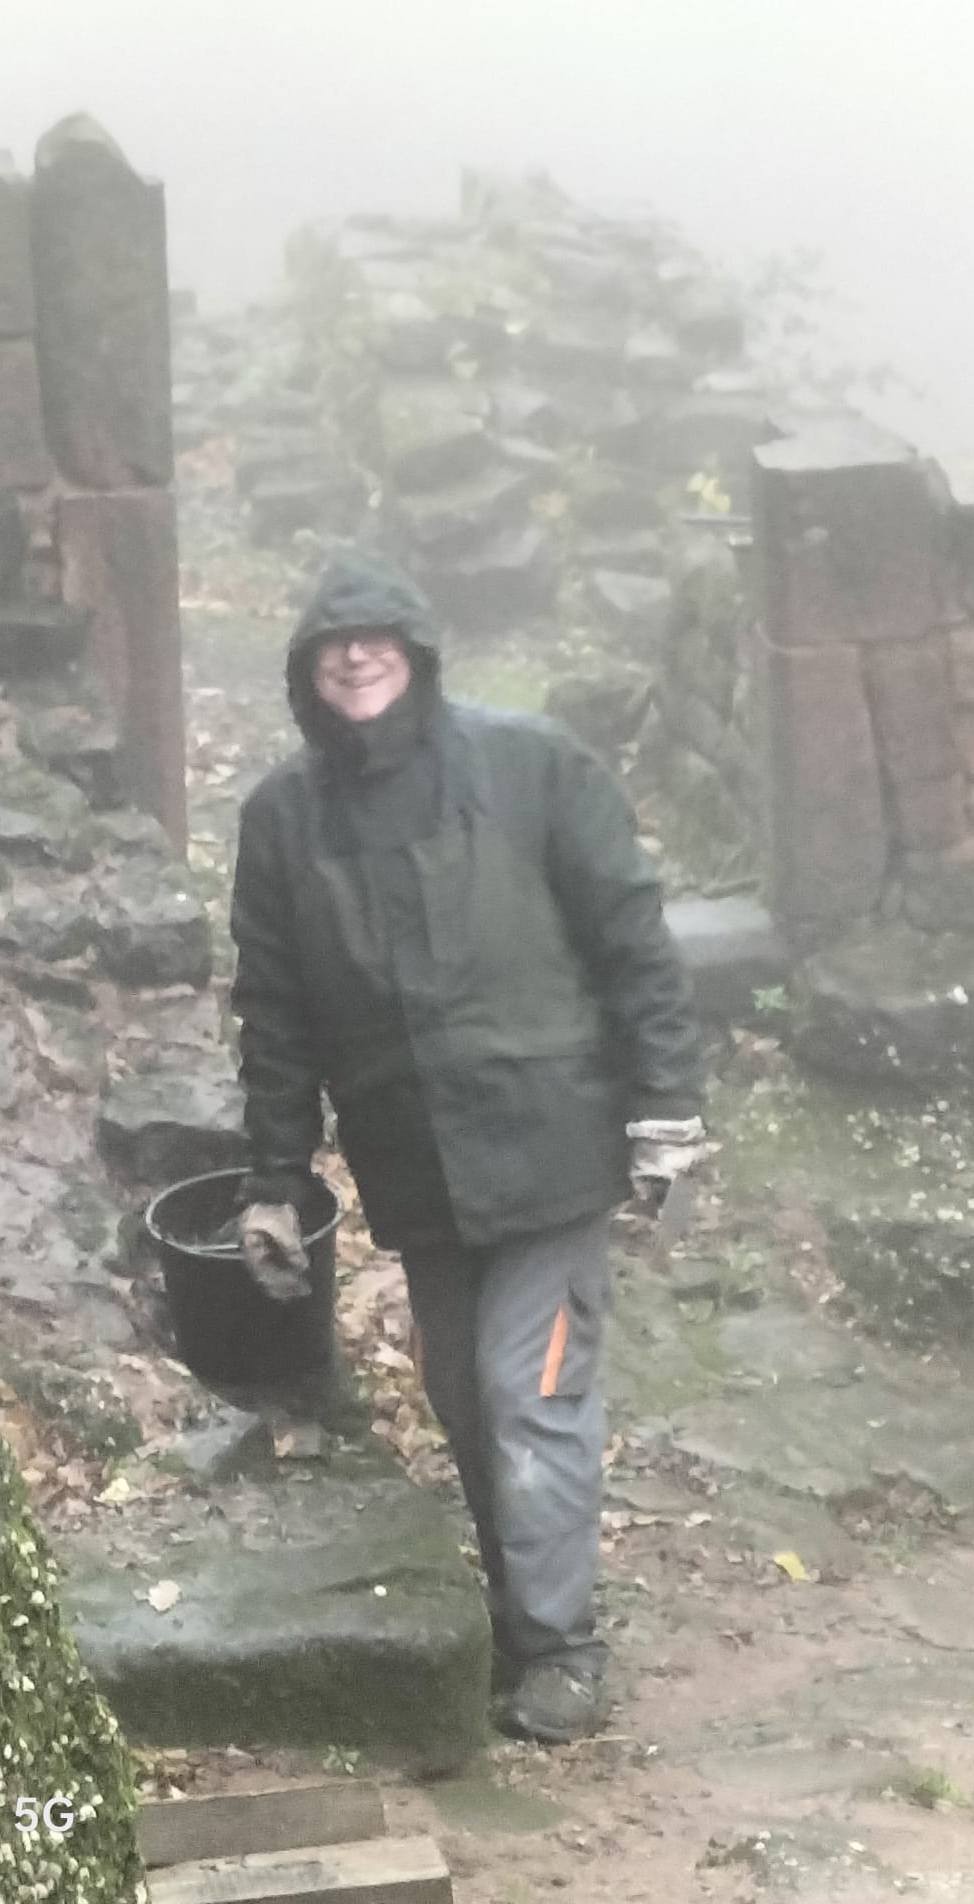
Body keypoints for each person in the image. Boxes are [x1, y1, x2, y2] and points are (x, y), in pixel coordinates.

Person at [228, 547, 703, 1744]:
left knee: (529, 1387)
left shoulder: (531, 764)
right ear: (306, 670)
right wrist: (275, 1177)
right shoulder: (283, 819)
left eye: (376, 637)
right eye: (331, 644)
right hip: (416, 1165)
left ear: (419, 650)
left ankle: (563, 1645)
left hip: (550, 1144)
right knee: (462, 1396)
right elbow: (274, 1010)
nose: (355, 656)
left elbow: (632, 936)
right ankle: (517, 1612)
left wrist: (665, 1107)